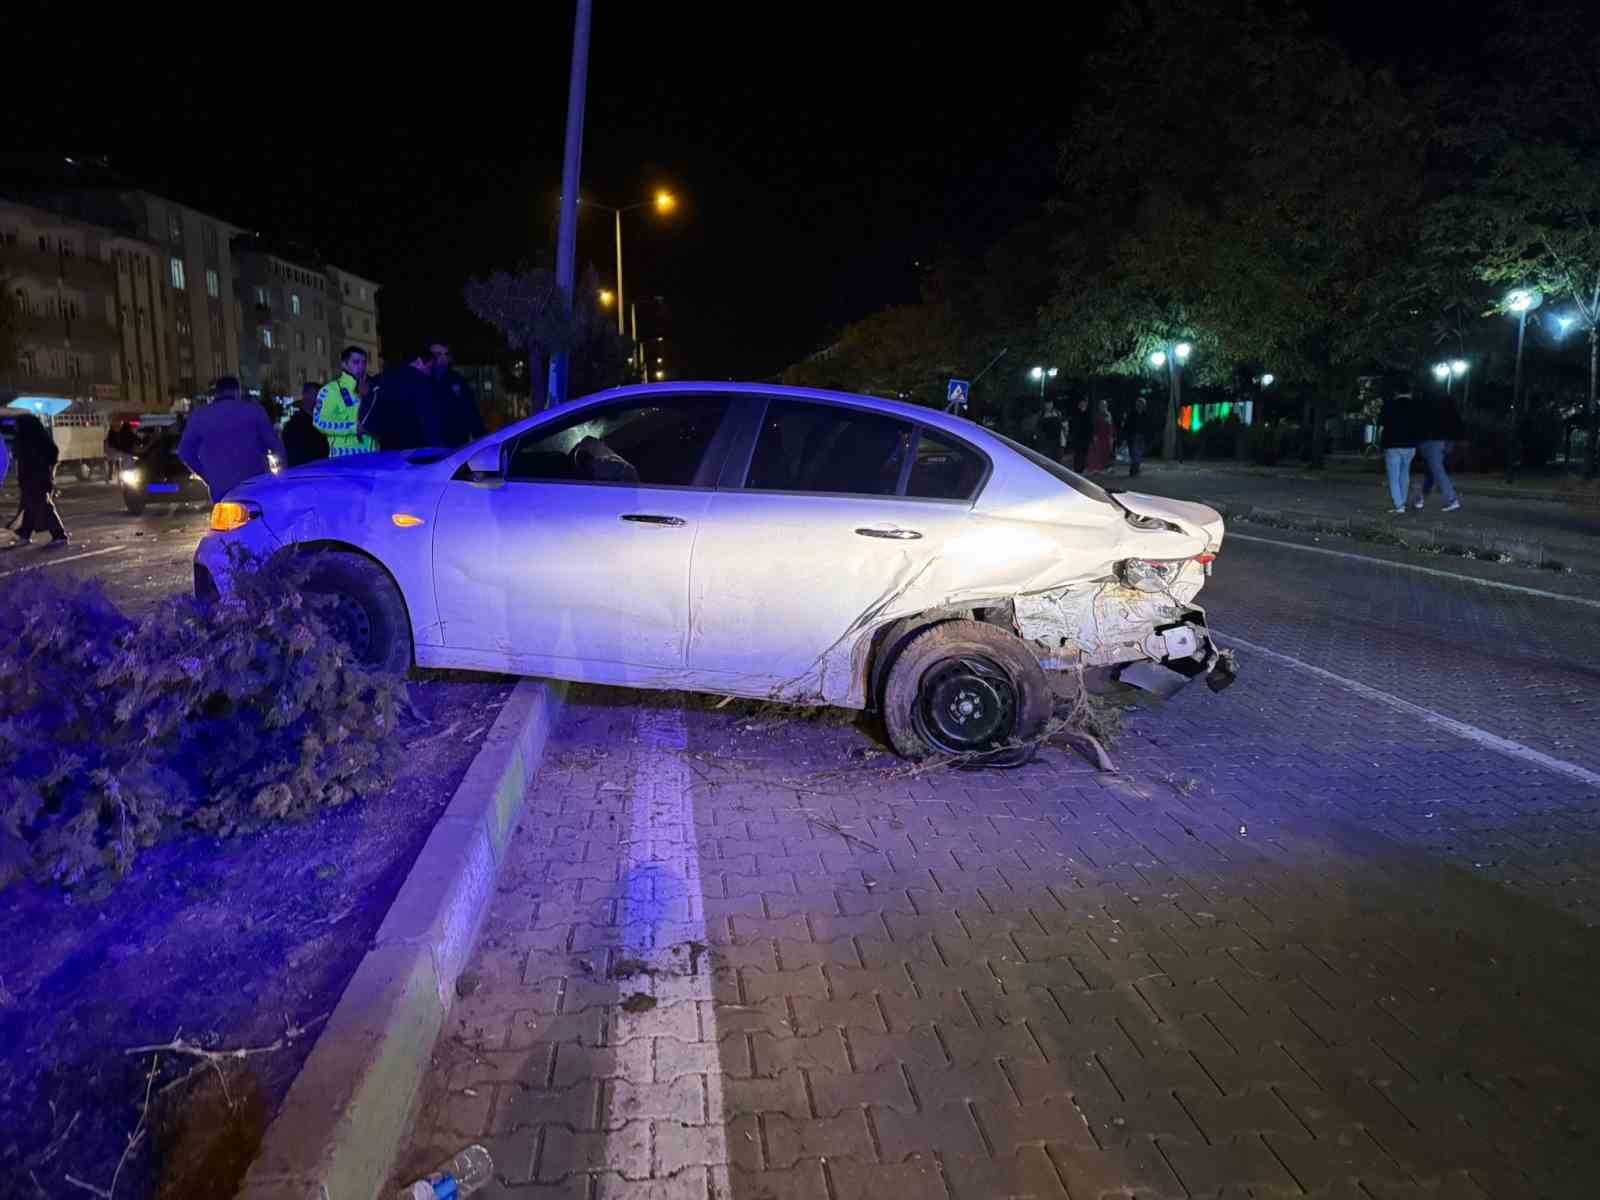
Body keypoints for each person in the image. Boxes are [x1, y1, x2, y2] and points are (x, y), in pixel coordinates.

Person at [178, 376, 287, 502]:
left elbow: (185, 452)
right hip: (254, 485)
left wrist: (207, 477)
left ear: (217, 393)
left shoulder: (199, 416)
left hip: (222, 489)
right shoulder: (254, 411)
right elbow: (275, 446)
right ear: (237, 391)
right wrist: (282, 476)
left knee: (226, 519)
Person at [10, 412, 68, 547]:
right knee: (28, 505)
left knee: (44, 506)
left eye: (18, 425)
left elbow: (52, 454)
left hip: (37, 478)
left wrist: (48, 471)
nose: (15, 427)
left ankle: (59, 534)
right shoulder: (24, 438)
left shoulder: (35, 439)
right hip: (28, 478)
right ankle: (24, 532)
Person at [367, 348, 441, 451]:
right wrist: (437, 448)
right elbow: (428, 419)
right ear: (419, 361)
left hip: (388, 448)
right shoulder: (421, 382)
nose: (429, 372)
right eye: (429, 367)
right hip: (415, 450)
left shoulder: (382, 378)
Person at [314, 346, 376, 456]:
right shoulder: (330, 390)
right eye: (356, 362)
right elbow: (319, 422)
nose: (361, 367)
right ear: (344, 364)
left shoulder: (372, 389)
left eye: (364, 362)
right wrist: (353, 428)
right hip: (344, 459)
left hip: (373, 456)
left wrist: (368, 396)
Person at [429, 342, 486, 447]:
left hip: (455, 445)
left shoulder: (456, 379)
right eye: (438, 355)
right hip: (429, 446)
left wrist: (483, 439)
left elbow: (469, 409)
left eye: (446, 354)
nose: (443, 359)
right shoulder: (422, 381)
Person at [1415, 391, 1462, 513]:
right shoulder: (1448, 409)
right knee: (1432, 471)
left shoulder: (1433, 409)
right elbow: (1456, 427)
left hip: (1432, 441)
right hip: (1441, 441)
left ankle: (1452, 499)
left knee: (1436, 470)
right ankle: (1421, 498)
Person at [1378, 386, 1421, 514]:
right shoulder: (1416, 407)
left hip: (1393, 444)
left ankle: (1399, 505)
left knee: (1394, 477)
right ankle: (1402, 502)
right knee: (1405, 473)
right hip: (1410, 445)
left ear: (1396, 393)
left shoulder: (1389, 405)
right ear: (1410, 393)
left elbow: (1381, 424)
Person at [282, 382, 330, 467]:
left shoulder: (321, 420)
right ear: (306, 396)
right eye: (316, 395)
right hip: (309, 472)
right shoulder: (295, 425)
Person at [1121, 394, 1149, 477]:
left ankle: (1135, 468)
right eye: (1139, 404)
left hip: (1142, 436)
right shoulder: (1132, 414)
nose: (1140, 406)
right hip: (1134, 436)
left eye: (1142, 404)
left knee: (1139, 453)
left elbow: (1148, 426)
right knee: (1134, 453)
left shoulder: (1145, 414)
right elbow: (1127, 426)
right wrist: (1125, 437)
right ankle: (1133, 469)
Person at [1086, 397, 1116, 474]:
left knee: (1108, 451)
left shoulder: (1108, 414)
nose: (1103, 406)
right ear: (1099, 406)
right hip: (1099, 436)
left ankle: (1108, 467)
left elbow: (1111, 426)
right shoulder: (1097, 415)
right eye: (1101, 405)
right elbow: (1095, 426)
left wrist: (1112, 436)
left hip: (1107, 436)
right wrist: (1095, 435)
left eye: (1104, 405)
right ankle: (1098, 468)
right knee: (1099, 452)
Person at [1068, 397, 1095, 474]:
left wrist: (1091, 436)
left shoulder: (1089, 413)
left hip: (1085, 437)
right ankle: (1077, 469)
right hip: (1077, 437)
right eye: (1081, 403)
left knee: (1084, 454)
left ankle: (1082, 468)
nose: (1083, 404)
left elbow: (1091, 426)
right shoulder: (1075, 413)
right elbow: (1072, 424)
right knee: (1077, 454)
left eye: (1084, 403)